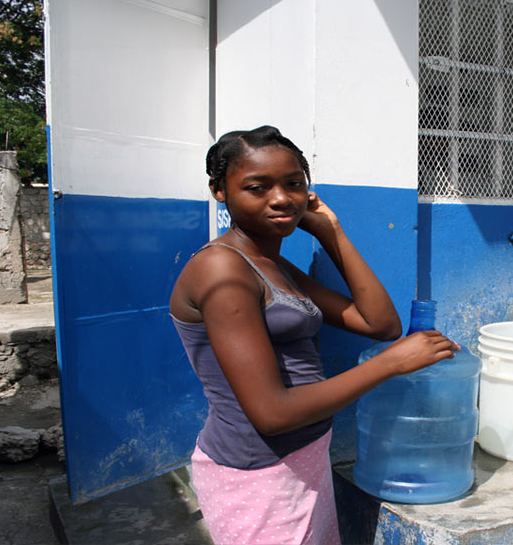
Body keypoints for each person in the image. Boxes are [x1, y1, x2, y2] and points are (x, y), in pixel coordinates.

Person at [169, 125, 459, 545]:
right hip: (258, 472)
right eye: (258, 187)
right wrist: (390, 364)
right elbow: (271, 414)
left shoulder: (274, 266)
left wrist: (330, 231)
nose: (281, 198)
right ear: (219, 191)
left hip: (304, 456)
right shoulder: (222, 269)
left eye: (294, 184)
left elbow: (380, 323)